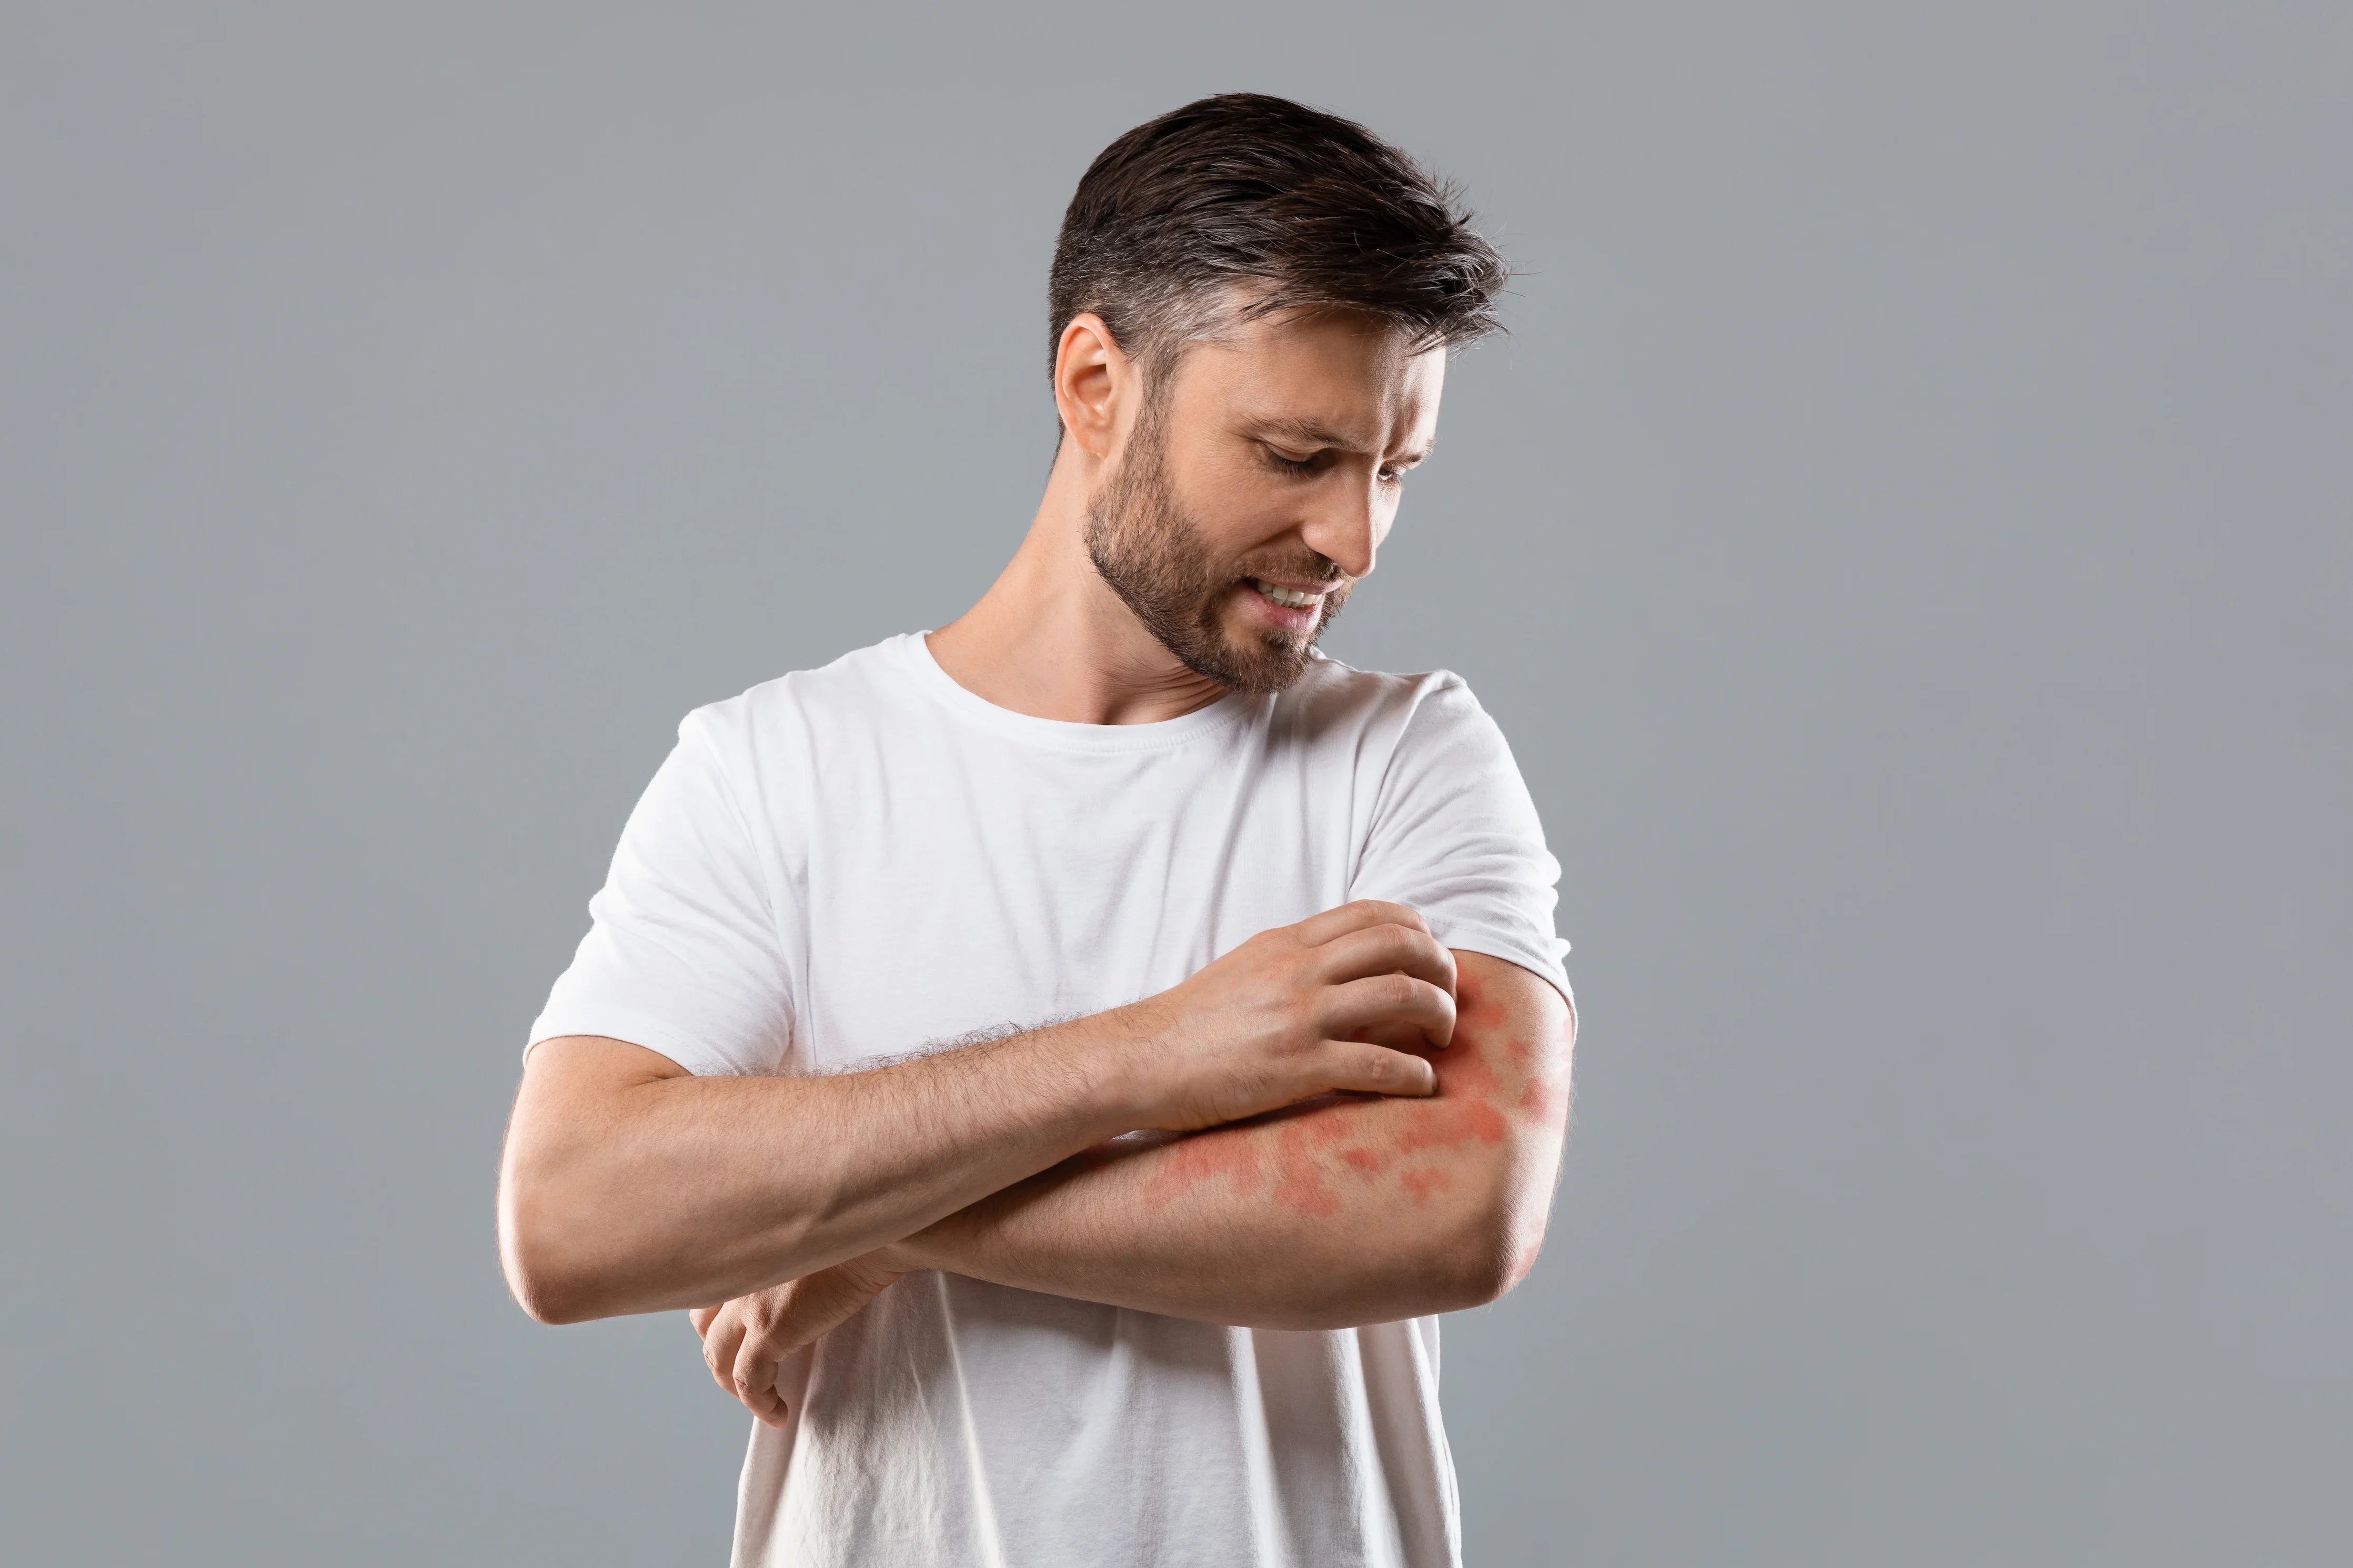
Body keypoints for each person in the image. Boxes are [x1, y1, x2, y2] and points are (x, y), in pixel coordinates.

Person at [497, 92, 1576, 1568]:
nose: (1355, 540)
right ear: (1094, 383)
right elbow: (573, 1216)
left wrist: (877, 1224)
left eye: (1393, 471)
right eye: (1294, 455)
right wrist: (1151, 1055)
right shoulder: (778, 769)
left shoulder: (1405, 759)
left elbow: (1455, 1210)